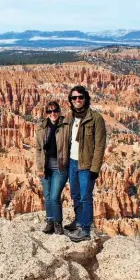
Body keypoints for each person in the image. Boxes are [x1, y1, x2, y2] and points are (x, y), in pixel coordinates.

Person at [64, 86, 106, 242]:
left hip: (86, 165)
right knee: (75, 195)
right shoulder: (69, 118)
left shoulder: (95, 118)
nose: (77, 100)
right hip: (72, 163)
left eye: (80, 97)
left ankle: (85, 229)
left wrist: (95, 169)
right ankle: (79, 220)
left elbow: (100, 145)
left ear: (86, 98)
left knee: (85, 197)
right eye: (74, 98)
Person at [35, 101, 70, 235]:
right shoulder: (41, 128)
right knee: (47, 196)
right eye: (49, 111)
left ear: (59, 112)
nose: (53, 114)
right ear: (46, 114)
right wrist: (39, 168)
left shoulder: (65, 126)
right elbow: (38, 149)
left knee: (55, 196)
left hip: (60, 168)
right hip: (45, 168)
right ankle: (49, 222)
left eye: (55, 111)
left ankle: (58, 223)